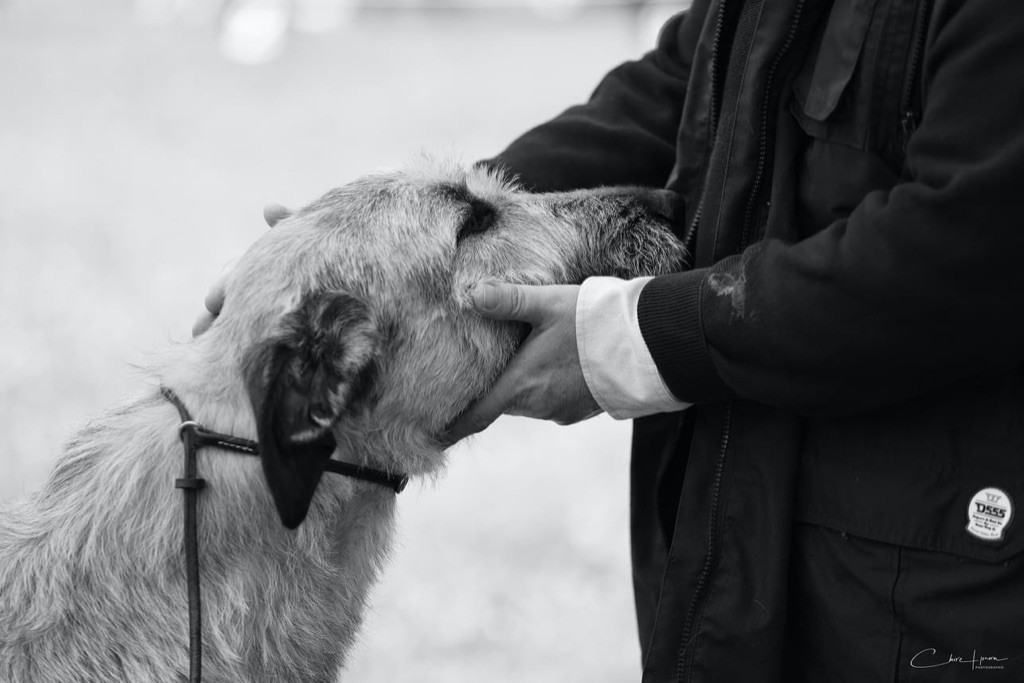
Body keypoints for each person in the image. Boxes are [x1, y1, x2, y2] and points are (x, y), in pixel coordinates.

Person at [200, 1, 1024, 680]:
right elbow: (689, 83)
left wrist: (642, 340)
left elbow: (966, 245)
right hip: (752, 541)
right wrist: (390, 246)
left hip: (942, 590)